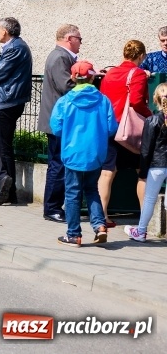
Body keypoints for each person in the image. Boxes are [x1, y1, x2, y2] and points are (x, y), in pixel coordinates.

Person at [50, 60, 116, 247]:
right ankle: (100, 226)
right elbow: (112, 128)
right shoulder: (103, 100)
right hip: (96, 154)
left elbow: (56, 128)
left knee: (72, 193)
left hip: (72, 154)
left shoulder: (64, 101)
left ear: (73, 77)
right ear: (92, 77)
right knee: (91, 189)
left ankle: (73, 234)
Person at [98, 40, 152, 225]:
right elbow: (137, 101)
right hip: (130, 131)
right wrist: (150, 115)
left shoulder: (111, 73)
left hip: (111, 128)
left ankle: (102, 217)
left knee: (107, 172)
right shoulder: (137, 73)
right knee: (143, 172)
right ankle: (145, 219)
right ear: (141, 56)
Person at [0, 17, 33, 206]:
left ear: (5, 31)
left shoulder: (14, 48)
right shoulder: (16, 47)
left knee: (3, 147)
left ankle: (6, 185)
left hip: (6, 102)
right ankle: (5, 186)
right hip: (6, 102)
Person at [36, 24, 81, 222]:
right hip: (58, 122)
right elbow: (67, 86)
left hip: (58, 120)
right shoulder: (60, 57)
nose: (80, 43)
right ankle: (52, 208)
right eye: (79, 39)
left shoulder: (61, 56)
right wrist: (91, 80)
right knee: (58, 165)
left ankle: (53, 206)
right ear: (69, 39)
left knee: (58, 164)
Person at [125, 83, 167, 242]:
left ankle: (141, 232)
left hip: (156, 165)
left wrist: (142, 171)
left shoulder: (153, 120)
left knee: (150, 199)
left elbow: (146, 149)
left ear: (156, 99)